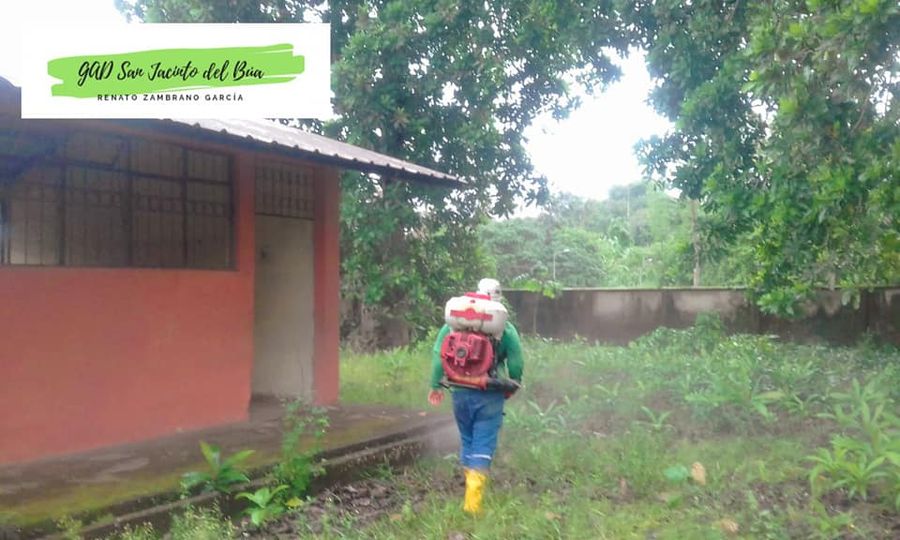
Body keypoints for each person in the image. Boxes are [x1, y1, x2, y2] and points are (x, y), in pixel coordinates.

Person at [427, 278, 524, 515]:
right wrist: (513, 383)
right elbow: (516, 362)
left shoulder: (453, 326)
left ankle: (470, 488)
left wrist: (435, 386)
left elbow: (439, 357)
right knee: (484, 442)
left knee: (468, 439)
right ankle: (472, 504)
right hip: (489, 393)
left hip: (459, 392)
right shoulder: (504, 329)